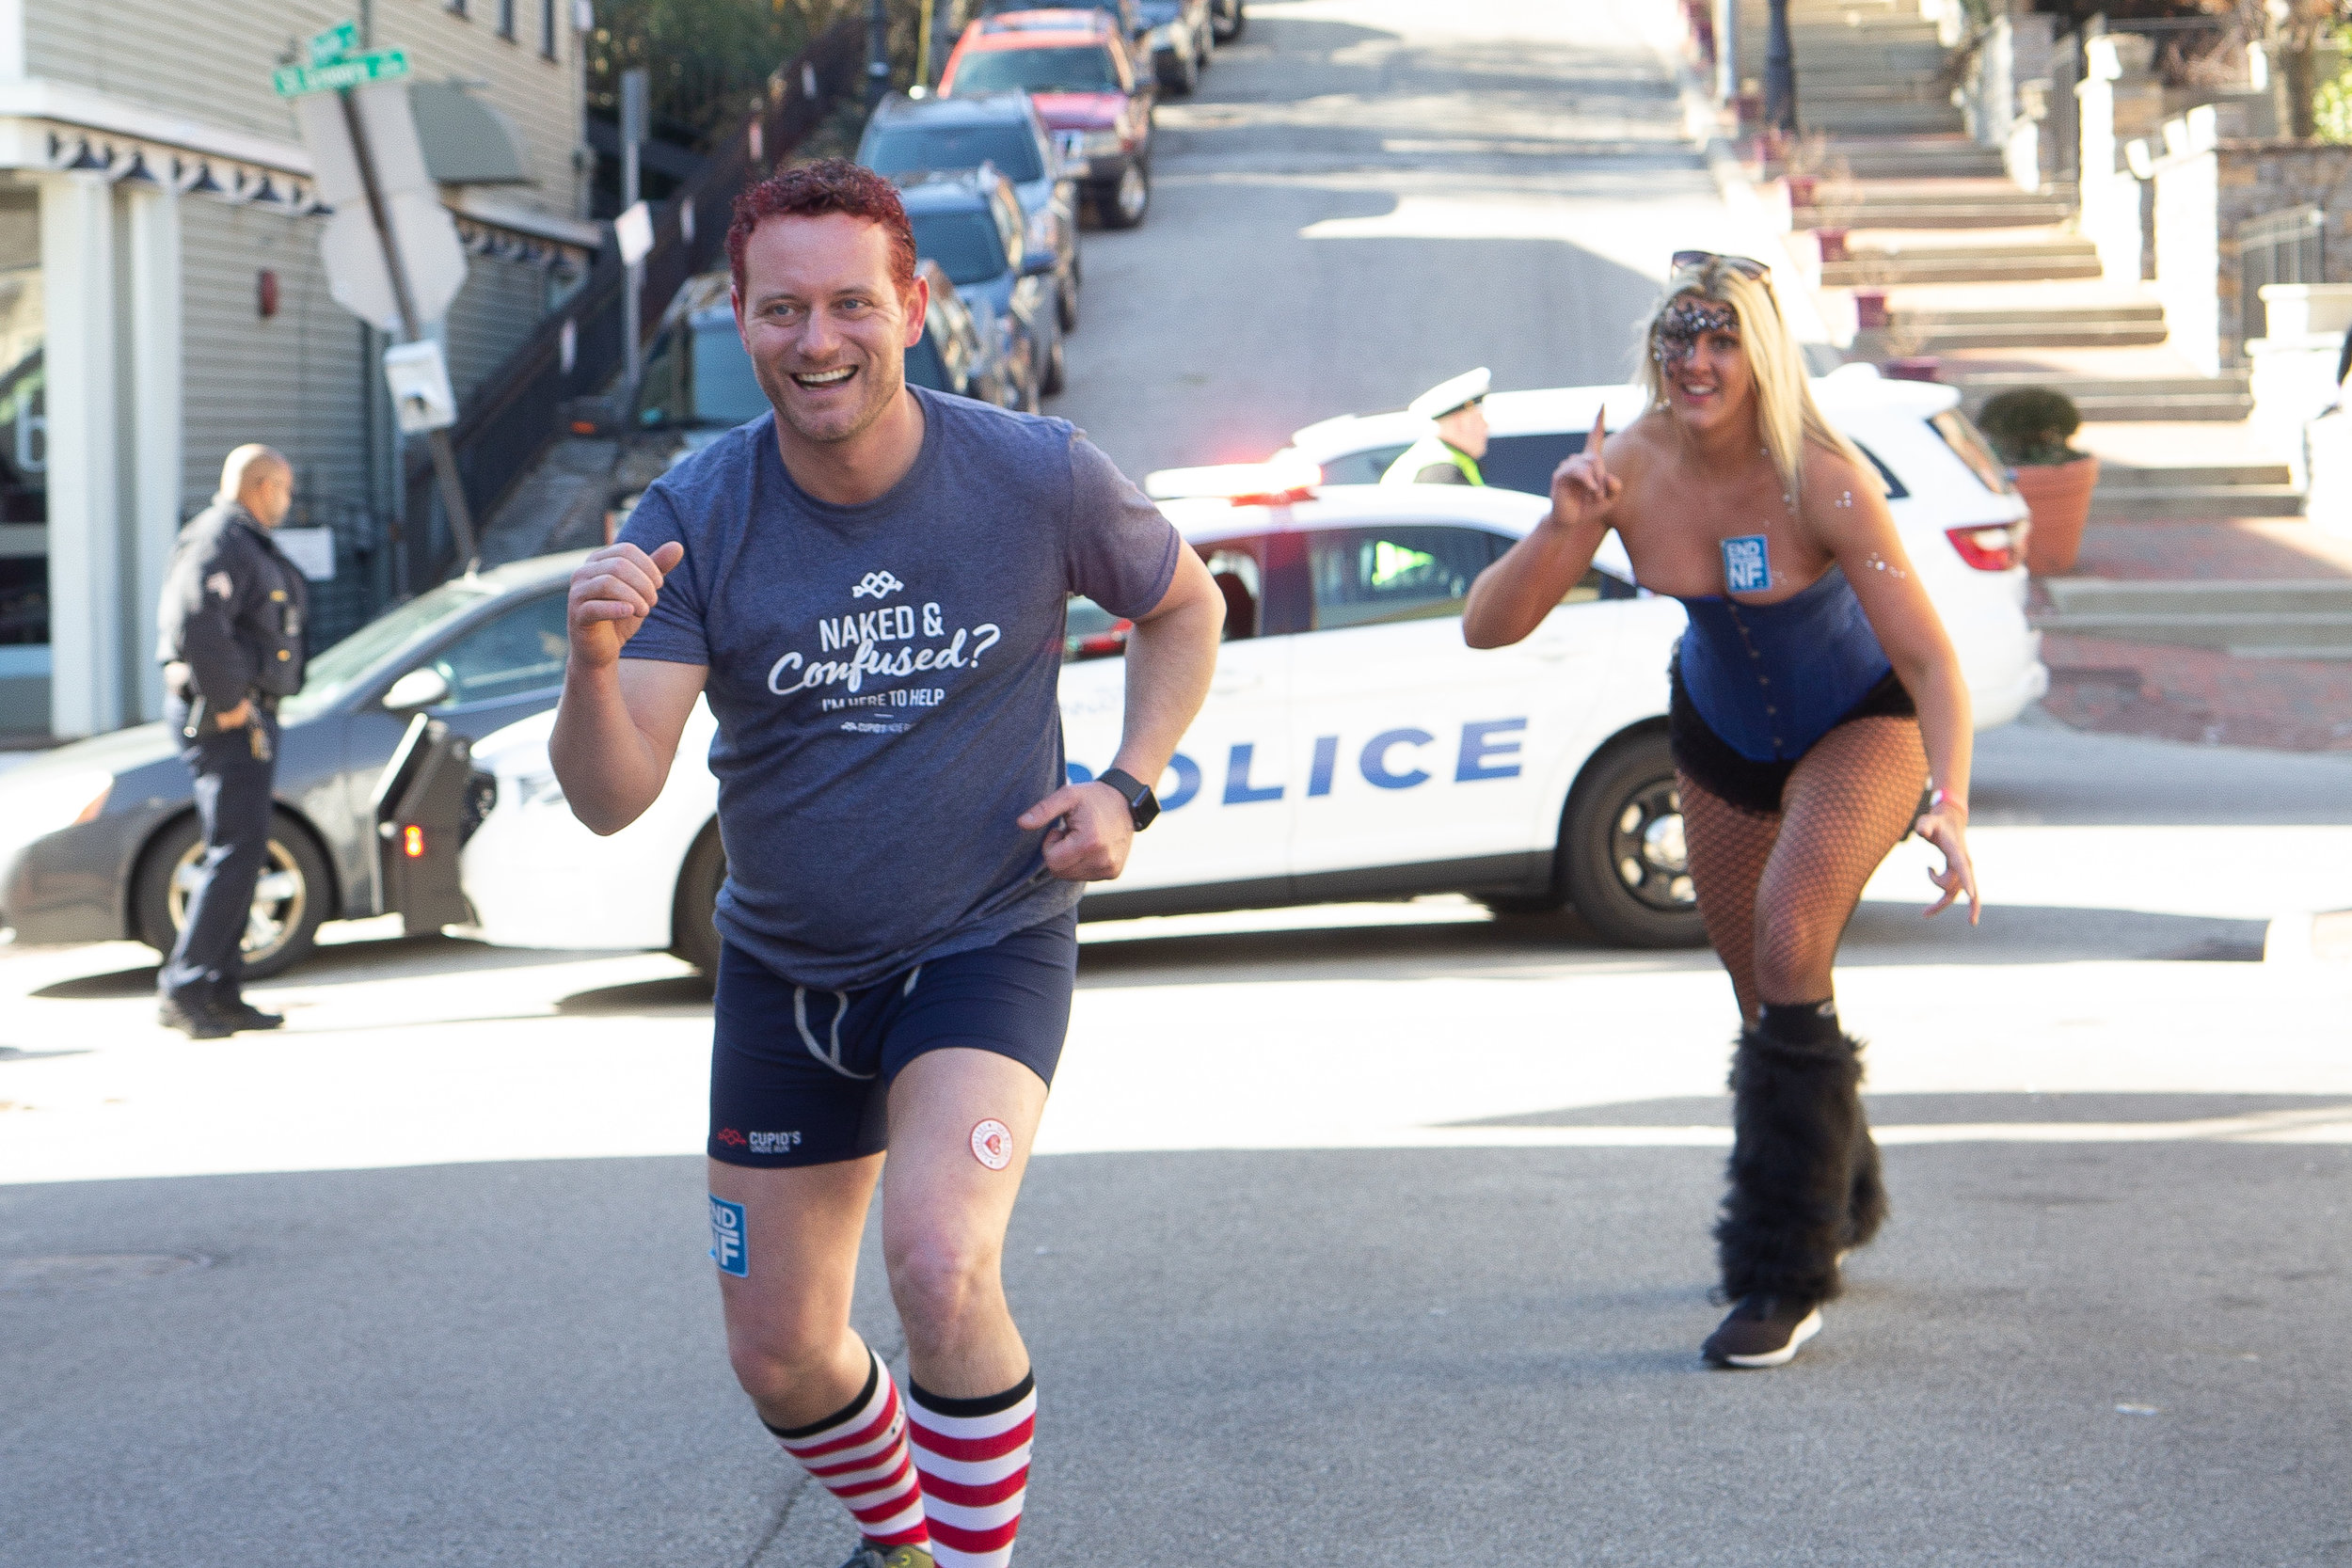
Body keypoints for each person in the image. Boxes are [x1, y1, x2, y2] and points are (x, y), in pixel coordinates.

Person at [548, 160, 1220, 1568]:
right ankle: (906, 1538)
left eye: (853, 301)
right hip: (786, 973)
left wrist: (1126, 785)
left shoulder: (1034, 472)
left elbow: (1184, 604)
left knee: (935, 1253)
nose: (819, 338)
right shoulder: (693, 513)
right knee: (783, 1352)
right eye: (783, 308)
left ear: (914, 304)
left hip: (983, 939)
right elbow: (615, 798)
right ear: (740, 317)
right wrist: (592, 663)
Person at [1462, 251, 1980, 1370]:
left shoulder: (1822, 477)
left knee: (1794, 933)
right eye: (1677, 339)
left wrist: (1950, 803)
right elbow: (1486, 627)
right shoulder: (1628, 467)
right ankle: (1841, 1179)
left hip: (1862, 721)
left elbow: (1933, 663)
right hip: (1719, 731)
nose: (1695, 361)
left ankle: (1780, 1270)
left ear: (1761, 353)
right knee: (1765, 992)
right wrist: (1565, 526)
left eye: (1721, 340)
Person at [152, 444, 307, 1041]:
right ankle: (186, 988)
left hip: (247, 716)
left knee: (243, 853)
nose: (287, 502)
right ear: (259, 485)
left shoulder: (244, 539)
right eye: (284, 490)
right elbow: (198, 622)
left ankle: (221, 988)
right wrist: (232, 705)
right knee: (231, 852)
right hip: (225, 720)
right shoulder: (219, 537)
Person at [1380, 367, 1490, 485]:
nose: (1486, 425)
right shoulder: (1443, 472)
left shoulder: (1430, 457)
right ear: (1460, 423)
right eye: (1479, 419)